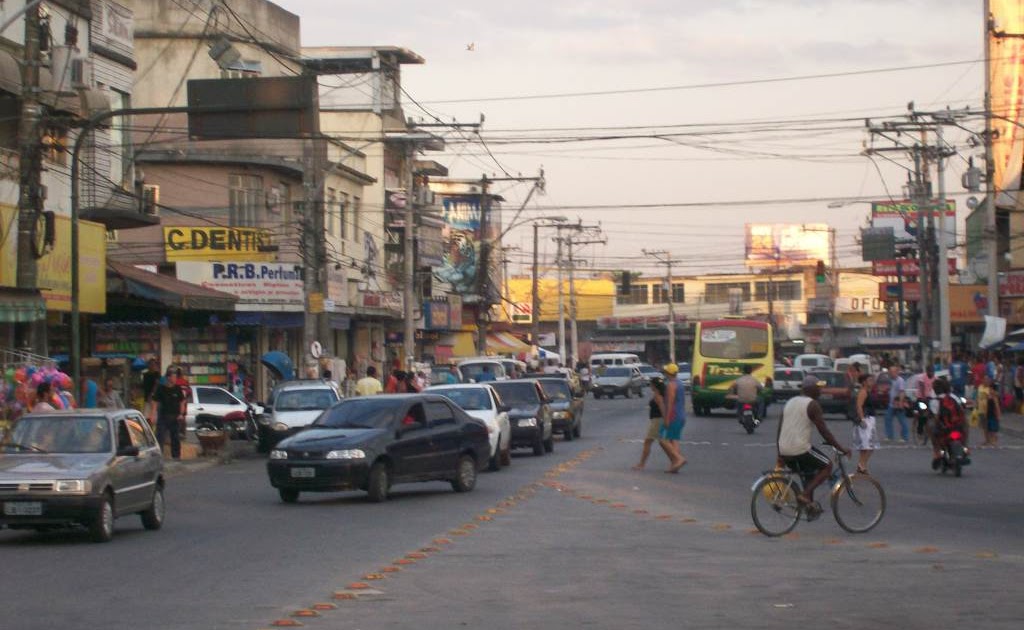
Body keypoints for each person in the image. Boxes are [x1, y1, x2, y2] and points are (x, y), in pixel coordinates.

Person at [776, 375, 851, 514]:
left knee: (809, 473)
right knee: (827, 466)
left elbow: (779, 430)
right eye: (818, 388)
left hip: (784, 449)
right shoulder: (812, 404)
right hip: (800, 449)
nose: (820, 391)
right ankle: (804, 495)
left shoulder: (790, 402)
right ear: (810, 389)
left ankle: (809, 507)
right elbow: (824, 432)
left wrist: (779, 454)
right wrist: (841, 448)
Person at [930, 378, 969, 467]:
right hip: (958, 426)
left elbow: (936, 418)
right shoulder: (954, 397)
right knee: (966, 426)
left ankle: (937, 453)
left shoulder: (934, 401)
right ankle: (965, 447)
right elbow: (962, 412)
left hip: (945, 428)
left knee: (931, 428)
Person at [633, 374, 667, 470]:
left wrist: (665, 420)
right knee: (663, 442)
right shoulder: (659, 394)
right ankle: (675, 458)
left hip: (657, 420)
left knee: (648, 442)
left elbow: (662, 408)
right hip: (656, 420)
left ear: (654, 386)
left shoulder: (658, 396)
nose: (650, 386)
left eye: (651, 385)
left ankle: (641, 464)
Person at [153, 368, 186, 460]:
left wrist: (181, 414)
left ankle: (176, 456)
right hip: (163, 416)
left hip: (175, 417)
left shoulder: (178, 389)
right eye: (173, 377)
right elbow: (155, 402)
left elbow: (182, 402)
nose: (175, 379)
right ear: (168, 377)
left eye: (176, 377)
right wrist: (153, 414)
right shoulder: (161, 388)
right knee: (160, 437)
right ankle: (159, 457)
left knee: (175, 437)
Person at [660, 363, 687, 473]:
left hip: (673, 415)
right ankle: (675, 464)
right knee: (673, 439)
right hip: (680, 415)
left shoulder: (671, 385)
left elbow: (670, 403)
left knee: (662, 439)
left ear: (668, 373)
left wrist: (667, 418)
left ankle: (679, 458)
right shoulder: (679, 383)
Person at [852, 373, 879, 474]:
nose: (872, 382)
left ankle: (862, 464)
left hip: (871, 419)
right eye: (869, 380)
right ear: (864, 382)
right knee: (866, 445)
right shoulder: (863, 392)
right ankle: (861, 465)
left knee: (870, 445)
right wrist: (862, 419)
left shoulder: (869, 391)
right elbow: (859, 406)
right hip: (866, 420)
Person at [884, 363, 909, 442]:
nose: (890, 373)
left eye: (892, 372)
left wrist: (901, 403)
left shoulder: (900, 380)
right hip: (891, 404)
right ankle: (889, 436)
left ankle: (904, 437)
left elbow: (902, 392)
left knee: (902, 420)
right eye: (890, 372)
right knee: (887, 419)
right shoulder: (891, 380)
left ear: (896, 372)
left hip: (898, 404)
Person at [977, 374, 1000, 448]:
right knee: (984, 426)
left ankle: (993, 441)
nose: (986, 381)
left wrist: (998, 412)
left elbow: (996, 398)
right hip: (981, 409)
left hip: (989, 410)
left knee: (991, 426)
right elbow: (978, 397)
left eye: (987, 380)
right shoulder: (980, 387)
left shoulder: (991, 389)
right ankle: (987, 440)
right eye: (985, 379)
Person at [141, 358, 161, 422]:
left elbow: (157, 385)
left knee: (154, 416)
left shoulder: (157, 374)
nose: (152, 366)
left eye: (153, 364)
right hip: (147, 398)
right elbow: (144, 386)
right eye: (150, 364)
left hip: (154, 399)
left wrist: (152, 394)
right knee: (146, 417)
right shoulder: (145, 375)